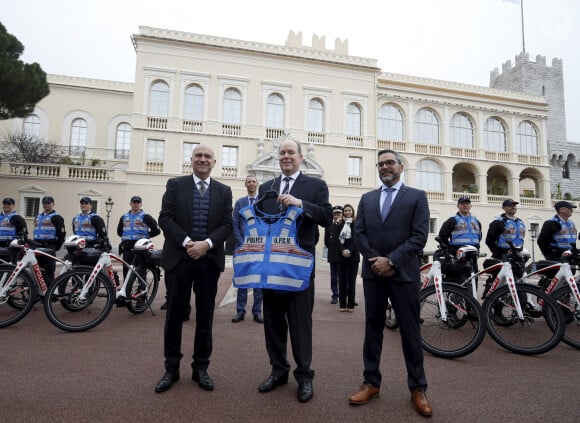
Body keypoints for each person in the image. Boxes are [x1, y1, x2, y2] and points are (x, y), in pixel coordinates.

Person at [349, 149, 432, 417]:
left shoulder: (417, 197)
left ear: (400, 166)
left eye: (389, 163)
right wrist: (377, 261)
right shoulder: (367, 199)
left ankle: (418, 388)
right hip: (374, 273)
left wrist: (392, 261)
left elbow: (419, 237)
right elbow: (359, 234)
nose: (385, 167)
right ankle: (371, 382)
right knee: (372, 330)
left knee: (410, 332)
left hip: (404, 274)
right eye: (381, 164)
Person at [256, 139, 332, 403]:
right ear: (278, 158)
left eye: (291, 153)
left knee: (300, 324)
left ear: (300, 157)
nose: (286, 157)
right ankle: (278, 371)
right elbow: (259, 221)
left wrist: (301, 204)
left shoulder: (315, 186)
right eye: (282, 153)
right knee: (273, 323)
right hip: (271, 267)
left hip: (299, 268)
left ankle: (304, 376)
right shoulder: (267, 187)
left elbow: (326, 217)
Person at [154, 144, 232, 394]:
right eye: (198, 156)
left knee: (205, 318)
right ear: (191, 160)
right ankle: (171, 368)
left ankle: (201, 368)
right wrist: (188, 243)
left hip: (208, 262)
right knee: (174, 316)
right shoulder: (175, 185)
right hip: (179, 259)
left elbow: (227, 224)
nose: (202, 159)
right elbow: (165, 218)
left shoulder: (224, 191)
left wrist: (206, 245)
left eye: (207, 156)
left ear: (214, 162)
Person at [231, 175, 263, 323]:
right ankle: (240, 311)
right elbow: (235, 224)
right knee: (243, 279)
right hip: (242, 247)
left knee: (258, 281)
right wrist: (241, 242)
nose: (251, 184)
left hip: (259, 247)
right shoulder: (239, 203)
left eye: (254, 181)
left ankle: (257, 311)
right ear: (245, 184)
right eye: (249, 181)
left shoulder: (262, 202)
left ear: (257, 184)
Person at [116, 195, 161, 279]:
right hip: (127, 248)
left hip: (140, 248)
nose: (136, 204)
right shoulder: (124, 217)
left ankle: (142, 290)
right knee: (126, 271)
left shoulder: (146, 217)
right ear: (130, 204)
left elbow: (157, 231)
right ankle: (126, 291)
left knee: (141, 272)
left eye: (138, 202)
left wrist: (146, 236)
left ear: (141, 204)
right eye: (134, 202)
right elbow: (119, 232)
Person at [438, 196, 482, 273]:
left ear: (470, 206)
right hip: (457, 254)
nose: (465, 206)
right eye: (463, 204)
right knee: (457, 278)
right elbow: (442, 236)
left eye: (467, 204)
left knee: (473, 278)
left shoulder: (476, 221)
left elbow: (479, 236)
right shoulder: (452, 220)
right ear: (458, 206)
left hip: (472, 254)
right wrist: (449, 250)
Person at [32, 196, 66, 284]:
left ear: (53, 204)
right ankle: (40, 293)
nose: (46, 205)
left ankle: (50, 294)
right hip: (37, 245)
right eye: (45, 203)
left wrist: (55, 247)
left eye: (48, 203)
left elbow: (61, 234)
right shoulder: (38, 217)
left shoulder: (57, 217)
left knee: (49, 271)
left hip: (49, 245)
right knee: (37, 270)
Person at [337, 203, 360, 312]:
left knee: (351, 281)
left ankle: (350, 305)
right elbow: (336, 240)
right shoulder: (339, 224)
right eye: (345, 211)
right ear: (343, 213)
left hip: (353, 256)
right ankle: (342, 304)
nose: (347, 212)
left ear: (353, 212)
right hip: (341, 256)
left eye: (349, 210)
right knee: (341, 281)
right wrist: (342, 250)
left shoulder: (357, 224)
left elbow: (357, 240)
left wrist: (349, 250)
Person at [324, 206, 343, 304]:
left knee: (345, 277)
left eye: (338, 213)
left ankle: (346, 295)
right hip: (333, 255)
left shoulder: (345, 225)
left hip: (344, 256)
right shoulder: (329, 226)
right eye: (335, 214)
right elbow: (326, 241)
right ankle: (335, 295)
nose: (336, 215)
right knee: (334, 276)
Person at [0, 197, 28, 262]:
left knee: (10, 267)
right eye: (5, 204)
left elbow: (24, 233)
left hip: (10, 246)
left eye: (9, 204)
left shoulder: (17, 217)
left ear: (13, 206)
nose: (6, 206)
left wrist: (19, 243)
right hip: (0, 245)